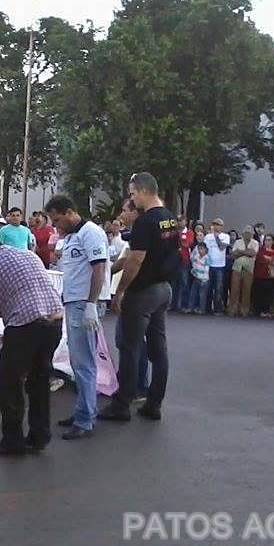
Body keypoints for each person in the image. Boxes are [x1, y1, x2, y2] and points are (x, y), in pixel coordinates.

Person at [0, 234, 64, 456]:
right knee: (39, 380)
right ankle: (39, 436)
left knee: (8, 382)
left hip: (25, 325)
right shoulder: (28, 255)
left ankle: (13, 440)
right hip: (54, 320)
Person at [99, 172, 178, 423]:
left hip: (143, 290)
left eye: (133, 193)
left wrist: (120, 290)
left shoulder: (146, 221)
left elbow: (135, 260)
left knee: (130, 348)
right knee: (159, 349)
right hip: (163, 287)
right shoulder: (169, 218)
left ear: (143, 191)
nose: (132, 198)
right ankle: (154, 403)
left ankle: (122, 404)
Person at [44, 194, 109, 440]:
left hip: (83, 303)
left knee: (84, 363)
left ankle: (85, 419)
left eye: (57, 219)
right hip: (74, 302)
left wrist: (92, 304)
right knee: (78, 362)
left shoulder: (89, 232)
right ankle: (84, 410)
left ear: (69, 212)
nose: (55, 225)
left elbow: (99, 268)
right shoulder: (71, 236)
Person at [110, 198, 149, 397]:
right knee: (130, 340)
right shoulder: (137, 233)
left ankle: (134, 386)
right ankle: (133, 382)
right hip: (146, 292)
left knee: (130, 341)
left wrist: (120, 291)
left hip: (136, 293)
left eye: (124, 210)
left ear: (134, 212)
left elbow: (130, 261)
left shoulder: (139, 234)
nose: (122, 214)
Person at [227, 226, 258, 317]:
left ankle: (244, 310)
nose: (247, 234)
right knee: (234, 289)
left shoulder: (255, 243)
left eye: (249, 233)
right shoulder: (238, 242)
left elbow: (253, 253)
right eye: (246, 233)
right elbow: (233, 254)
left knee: (247, 290)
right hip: (237, 268)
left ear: (253, 234)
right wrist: (246, 252)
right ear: (243, 234)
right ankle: (232, 309)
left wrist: (240, 252)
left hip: (249, 269)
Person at [204, 219, 230, 314]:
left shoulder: (225, 236)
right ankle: (207, 308)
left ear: (222, 226)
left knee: (218, 288)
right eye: (214, 224)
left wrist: (216, 237)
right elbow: (205, 249)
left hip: (220, 266)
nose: (216, 226)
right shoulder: (207, 236)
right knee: (209, 287)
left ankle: (217, 308)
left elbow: (222, 247)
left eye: (218, 224)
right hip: (209, 265)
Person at [252, 233, 274, 317]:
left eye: (269, 240)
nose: (267, 242)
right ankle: (258, 311)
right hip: (259, 275)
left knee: (269, 294)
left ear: (273, 241)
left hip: (271, 276)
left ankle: (266, 310)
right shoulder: (260, 250)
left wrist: (269, 259)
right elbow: (259, 259)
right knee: (259, 293)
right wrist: (268, 259)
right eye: (266, 240)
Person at [186, 242, 210, 314]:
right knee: (193, 294)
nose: (200, 251)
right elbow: (193, 263)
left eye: (202, 249)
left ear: (205, 250)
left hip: (203, 280)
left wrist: (202, 276)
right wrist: (193, 271)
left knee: (202, 295)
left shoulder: (207, 258)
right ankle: (190, 308)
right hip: (196, 278)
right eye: (199, 249)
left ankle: (201, 309)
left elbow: (206, 270)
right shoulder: (196, 257)